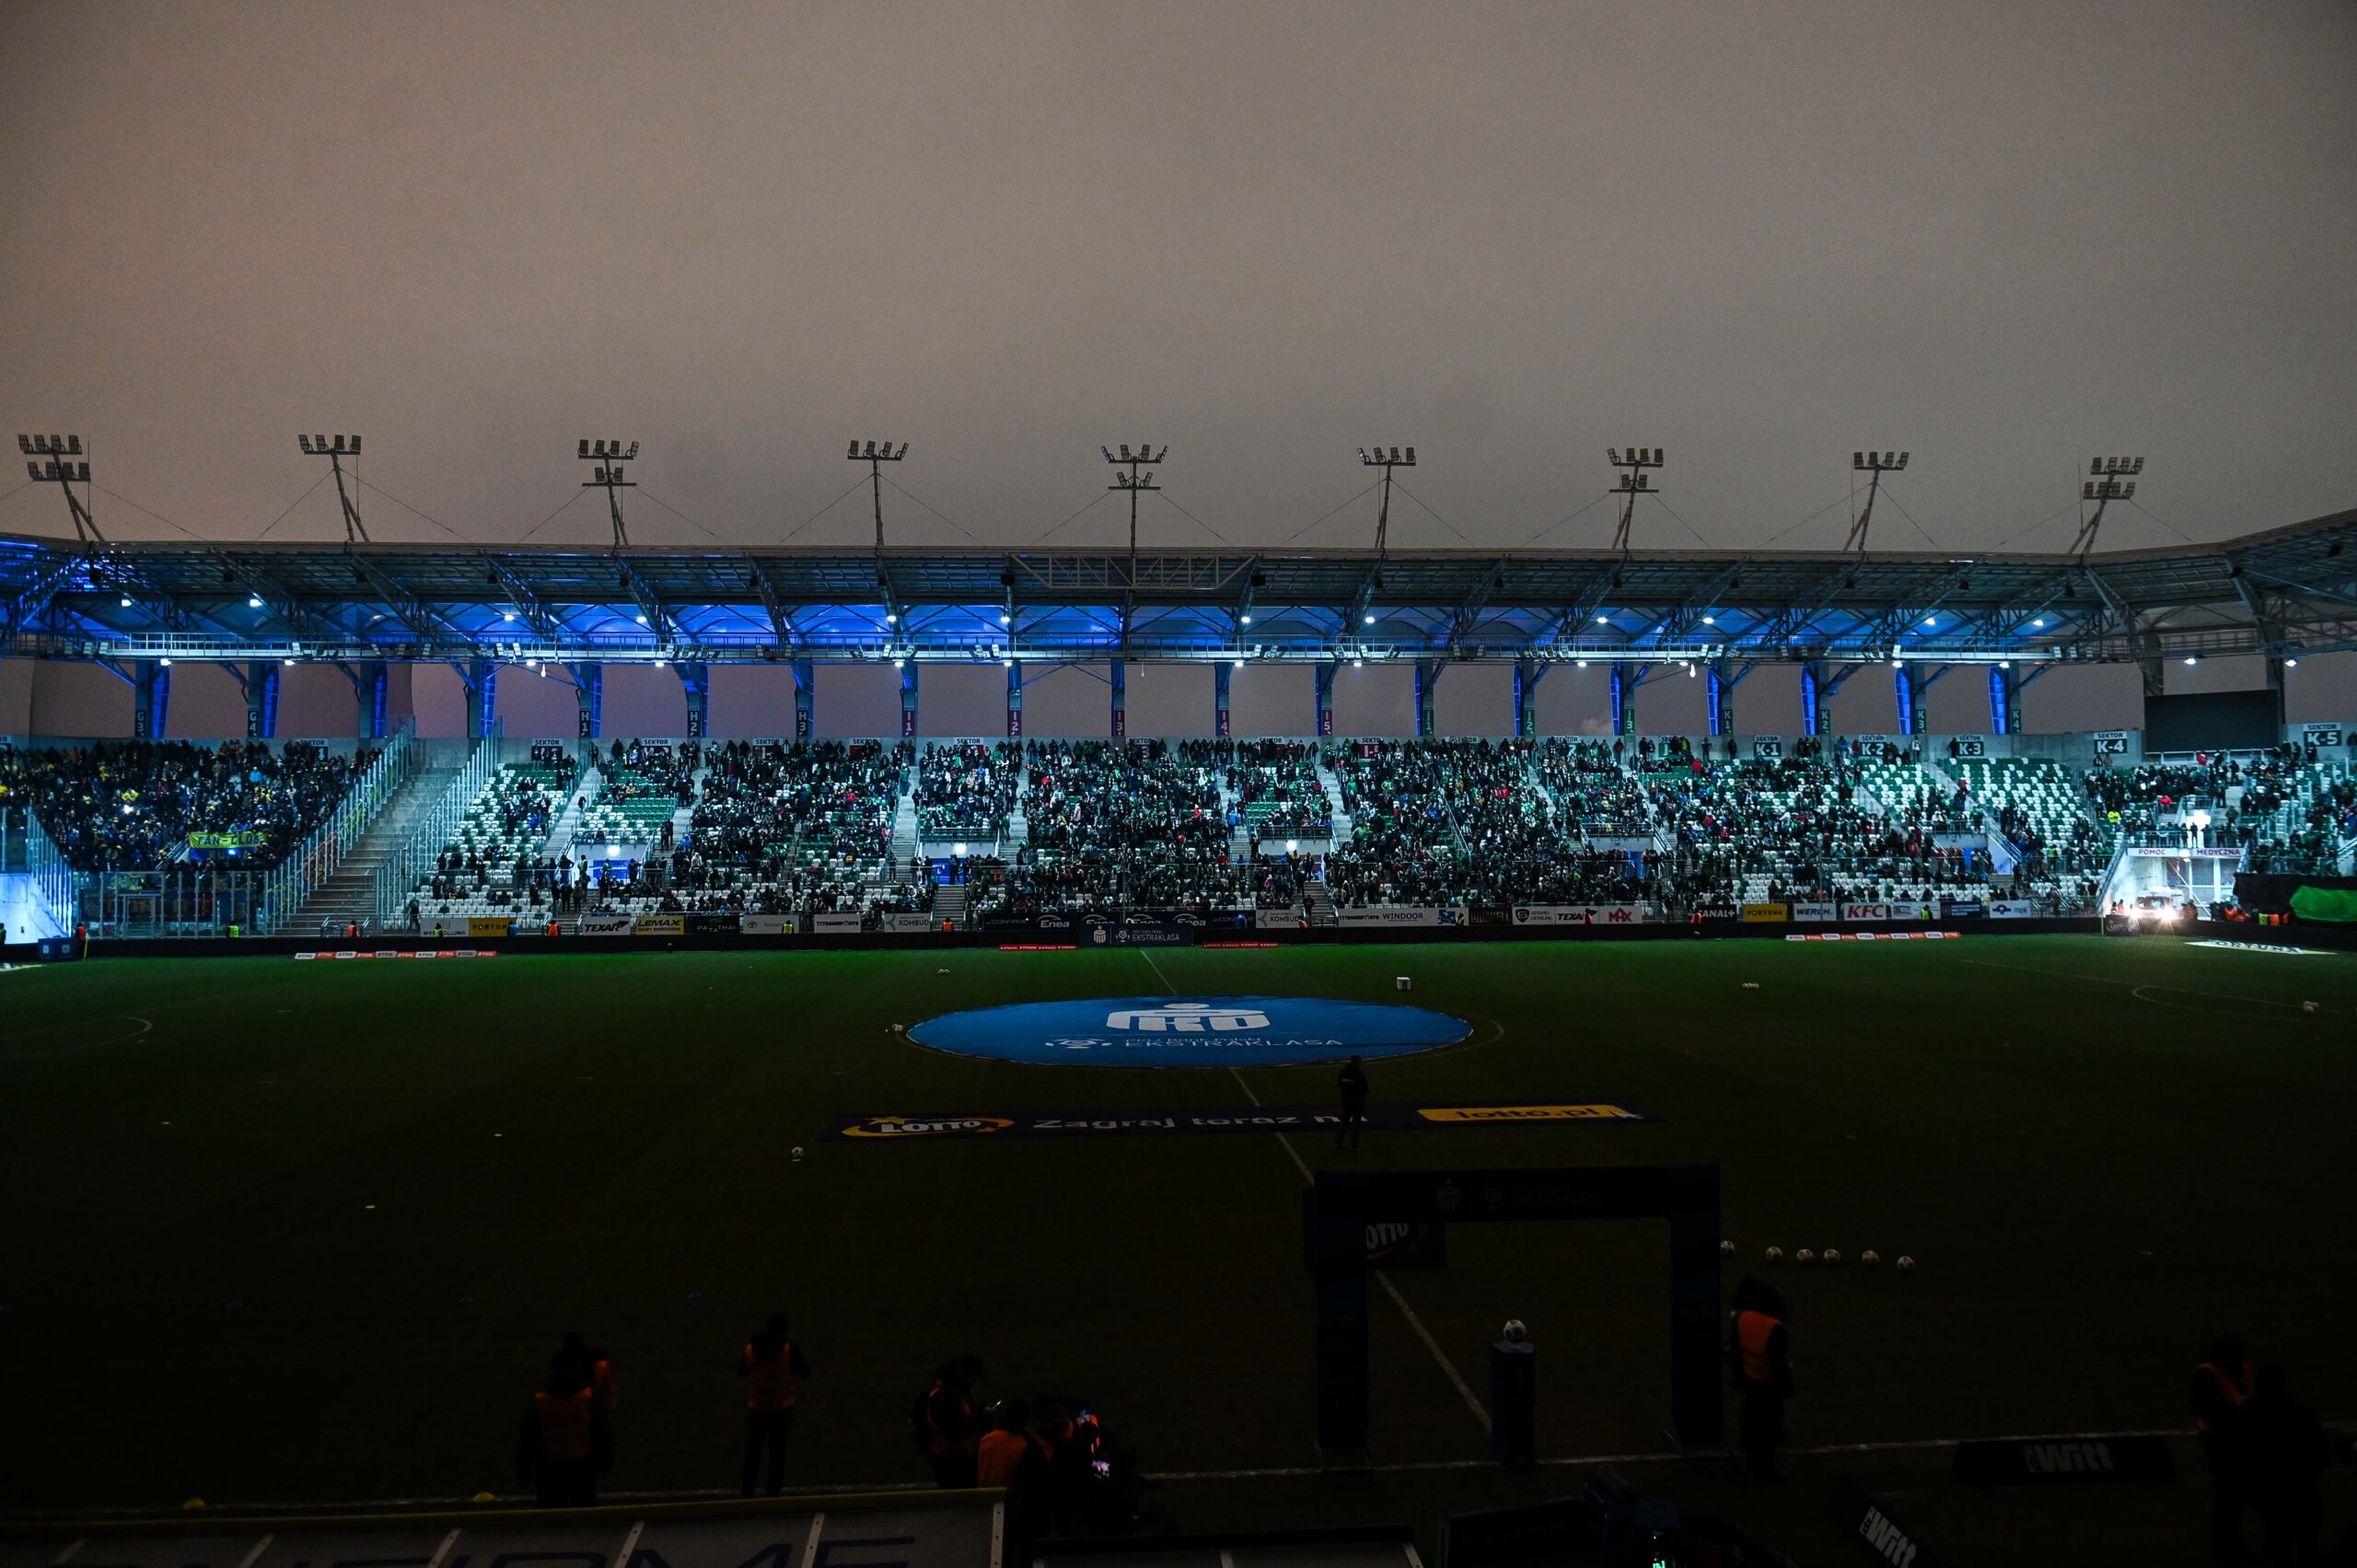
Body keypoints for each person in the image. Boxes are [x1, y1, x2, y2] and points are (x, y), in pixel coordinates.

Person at [2240, 1364, 2327, 1564]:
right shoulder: (2302, 1413)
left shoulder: (2246, 1416)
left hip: (2268, 1493)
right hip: (2302, 1490)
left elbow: (2239, 1456)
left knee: (2277, 1545)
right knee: (2308, 1545)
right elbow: (2322, 1454)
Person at [516, 1343, 610, 1507]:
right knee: (584, 1514)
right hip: (582, 1467)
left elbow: (527, 1439)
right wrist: (606, 1459)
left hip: (549, 1469)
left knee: (551, 1517)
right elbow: (602, 1431)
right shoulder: (588, 1396)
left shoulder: (540, 1400)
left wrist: (524, 1471)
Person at [2191, 1334, 2254, 1562]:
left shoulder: (2239, 1370)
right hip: (2219, 1440)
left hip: (2235, 1439)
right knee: (2229, 1496)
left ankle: (2229, 1546)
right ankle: (2227, 1548)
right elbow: (2205, 1409)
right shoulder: (2209, 1374)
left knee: (2232, 1497)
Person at [738, 1312, 813, 1497]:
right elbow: (805, 1372)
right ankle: (773, 1494)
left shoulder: (751, 1350)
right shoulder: (789, 1351)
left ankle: (747, 1493)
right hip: (781, 1409)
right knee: (777, 1454)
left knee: (752, 1453)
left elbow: (742, 1370)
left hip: (757, 1408)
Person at [1727, 1277, 1792, 1481]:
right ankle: (1766, 1469)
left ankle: (1750, 1457)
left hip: (1749, 1378)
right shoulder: (1775, 1328)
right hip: (1769, 1385)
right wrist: (1787, 1386)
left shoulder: (1743, 1318)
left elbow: (1734, 1348)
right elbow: (1778, 1363)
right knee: (1769, 1428)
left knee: (1751, 1419)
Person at [918, 1355, 984, 1489]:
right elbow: (955, 1431)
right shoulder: (945, 1396)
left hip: (957, 1457)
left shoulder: (956, 1392)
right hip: (952, 1460)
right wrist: (982, 1418)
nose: (973, 1382)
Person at [1335, 1054, 1369, 1152]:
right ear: (1358, 1063)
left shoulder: (1343, 1073)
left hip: (1346, 1101)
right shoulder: (1359, 1075)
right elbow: (1366, 1089)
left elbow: (1340, 1085)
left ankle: (1338, 1144)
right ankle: (1354, 1146)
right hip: (1357, 1103)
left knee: (1344, 1123)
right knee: (1356, 1125)